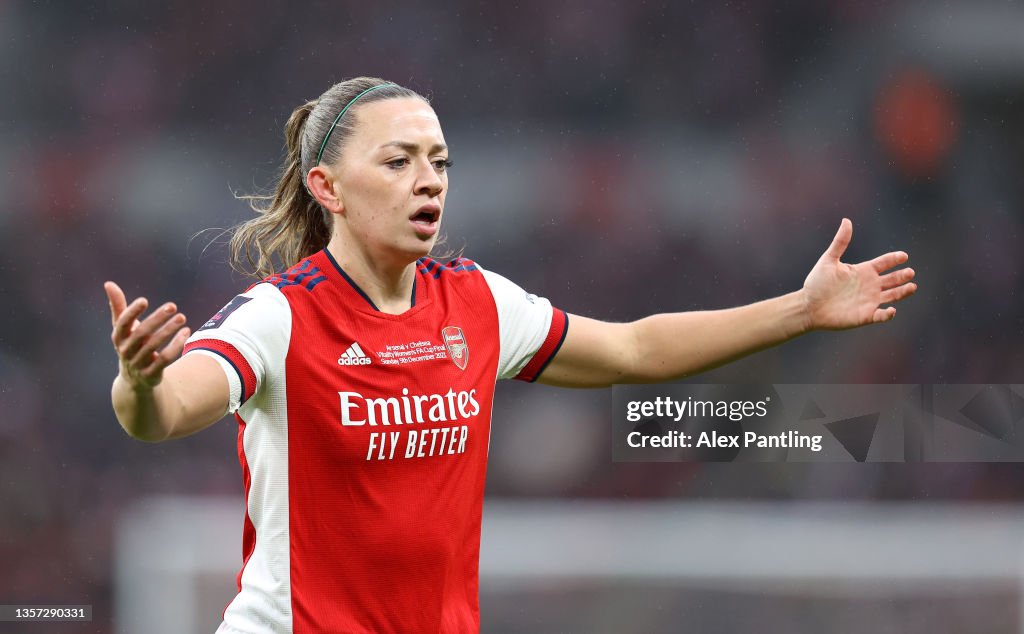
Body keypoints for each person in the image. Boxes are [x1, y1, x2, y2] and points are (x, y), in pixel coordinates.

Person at [104, 76, 917, 633]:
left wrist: (799, 311)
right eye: (399, 161)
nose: (430, 180)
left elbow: (634, 348)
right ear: (327, 187)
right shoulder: (281, 319)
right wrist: (139, 383)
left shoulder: (478, 304)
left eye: (440, 162)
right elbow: (168, 411)